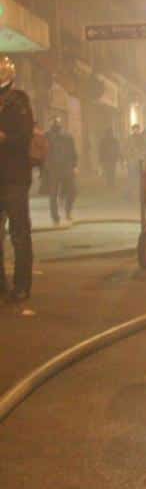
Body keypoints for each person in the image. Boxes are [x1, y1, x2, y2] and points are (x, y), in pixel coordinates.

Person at [0, 55, 35, 304]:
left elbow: (25, 136)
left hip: (14, 177)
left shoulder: (19, 102)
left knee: (19, 233)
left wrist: (4, 138)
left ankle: (22, 286)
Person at [44, 118, 78, 225]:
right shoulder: (47, 136)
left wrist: (75, 165)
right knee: (53, 194)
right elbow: (43, 152)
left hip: (66, 168)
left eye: (57, 123)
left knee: (72, 191)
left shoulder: (67, 136)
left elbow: (73, 151)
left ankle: (67, 212)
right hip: (53, 169)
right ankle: (55, 217)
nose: (55, 124)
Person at [126, 124, 146, 201]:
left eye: (137, 129)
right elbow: (126, 149)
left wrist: (143, 155)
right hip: (132, 159)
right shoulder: (129, 139)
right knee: (132, 177)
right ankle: (132, 193)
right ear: (133, 130)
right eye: (135, 129)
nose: (136, 130)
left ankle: (139, 193)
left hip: (140, 159)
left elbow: (145, 148)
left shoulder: (142, 138)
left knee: (140, 176)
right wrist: (129, 155)